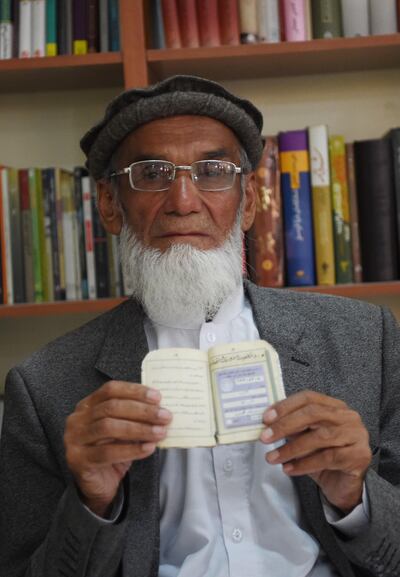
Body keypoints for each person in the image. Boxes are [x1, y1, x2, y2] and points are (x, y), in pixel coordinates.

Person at [0, 75, 399, 577]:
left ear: (249, 201)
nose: (184, 201)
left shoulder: (367, 338)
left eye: (212, 171)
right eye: (152, 173)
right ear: (108, 204)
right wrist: (91, 501)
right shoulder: (43, 388)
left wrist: (356, 496)